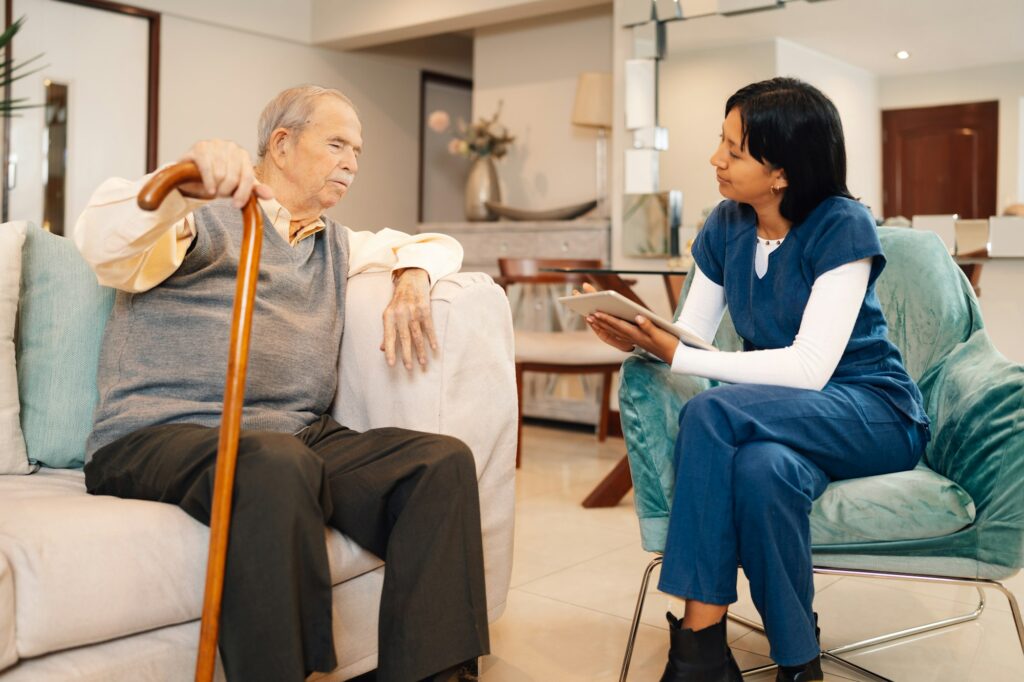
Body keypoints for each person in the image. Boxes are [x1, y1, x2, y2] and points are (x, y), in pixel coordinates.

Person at [73, 85, 488, 682]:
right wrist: (184, 181)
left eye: (358, 151)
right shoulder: (198, 220)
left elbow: (437, 244)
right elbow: (103, 241)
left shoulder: (338, 244)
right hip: (159, 434)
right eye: (338, 144)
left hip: (294, 434)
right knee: (275, 460)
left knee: (439, 463)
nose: (352, 162)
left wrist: (413, 275)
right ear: (283, 145)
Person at [583, 77, 929, 681]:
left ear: (783, 171)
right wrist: (643, 336)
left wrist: (678, 356)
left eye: (734, 150)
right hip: (782, 415)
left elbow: (808, 367)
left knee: (712, 412)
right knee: (759, 471)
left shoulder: (841, 225)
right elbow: (691, 333)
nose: (716, 158)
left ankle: (700, 644)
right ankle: (799, 662)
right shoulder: (727, 224)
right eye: (722, 142)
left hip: (869, 410)